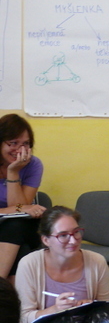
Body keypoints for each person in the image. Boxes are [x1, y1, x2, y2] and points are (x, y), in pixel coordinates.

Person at [0, 114, 47, 282]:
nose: (20, 150)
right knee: (22, 250)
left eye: (26, 144)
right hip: (11, 232)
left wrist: (13, 172)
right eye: (13, 143)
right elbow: (20, 208)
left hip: (22, 225)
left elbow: (19, 210)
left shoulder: (33, 164)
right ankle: (9, 293)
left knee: (15, 226)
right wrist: (10, 210)